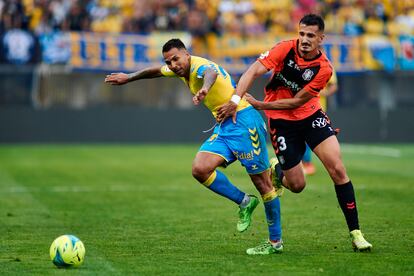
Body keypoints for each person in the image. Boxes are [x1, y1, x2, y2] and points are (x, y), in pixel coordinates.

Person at [105, 38, 283, 255]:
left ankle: (275, 242)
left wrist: (205, 89)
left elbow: (211, 73)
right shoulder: (179, 69)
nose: (172, 65)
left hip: (244, 121)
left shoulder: (199, 66)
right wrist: (129, 77)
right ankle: (245, 202)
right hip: (225, 125)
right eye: (169, 62)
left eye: (176, 59)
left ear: (186, 55)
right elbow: (156, 71)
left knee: (263, 184)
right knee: (200, 168)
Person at [217, 14, 372, 252]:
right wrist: (236, 99)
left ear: (321, 38)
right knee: (298, 185)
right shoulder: (284, 49)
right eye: (301, 34)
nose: (304, 39)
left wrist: (261, 105)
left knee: (338, 170)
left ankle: (356, 234)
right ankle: (278, 170)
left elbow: (297, 101)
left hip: (311, 116)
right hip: (281, 123)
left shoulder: (324, 69)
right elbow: (252, 71)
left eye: (310, 35)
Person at [302, 70, 338, 175]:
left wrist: (322, 92)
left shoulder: (326, 65)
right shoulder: (301, 64)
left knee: (310, 137)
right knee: (301, 136)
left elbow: (333, 86)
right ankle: (303, 163)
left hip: (318, 109)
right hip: (300, 108)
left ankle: (307, 164)